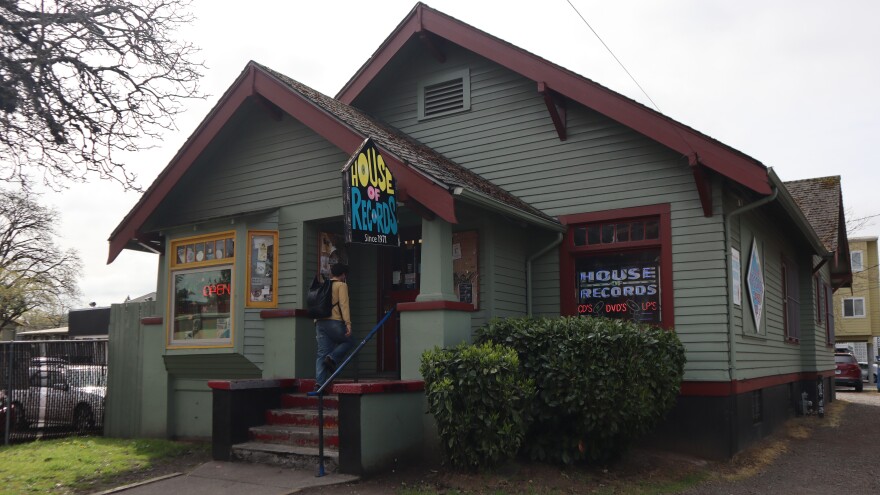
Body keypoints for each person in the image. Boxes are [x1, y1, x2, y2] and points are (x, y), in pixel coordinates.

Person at [315, 263, 353, 391]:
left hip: (320, 322)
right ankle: (332, 358)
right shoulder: (341, 285)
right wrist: (348, 323)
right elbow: (344, 305)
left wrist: (316, 321)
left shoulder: (323, 285)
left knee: (321, 354)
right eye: (344, 275)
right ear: (343, 274)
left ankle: (319, 385)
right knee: (349, 341)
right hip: (334, 322)